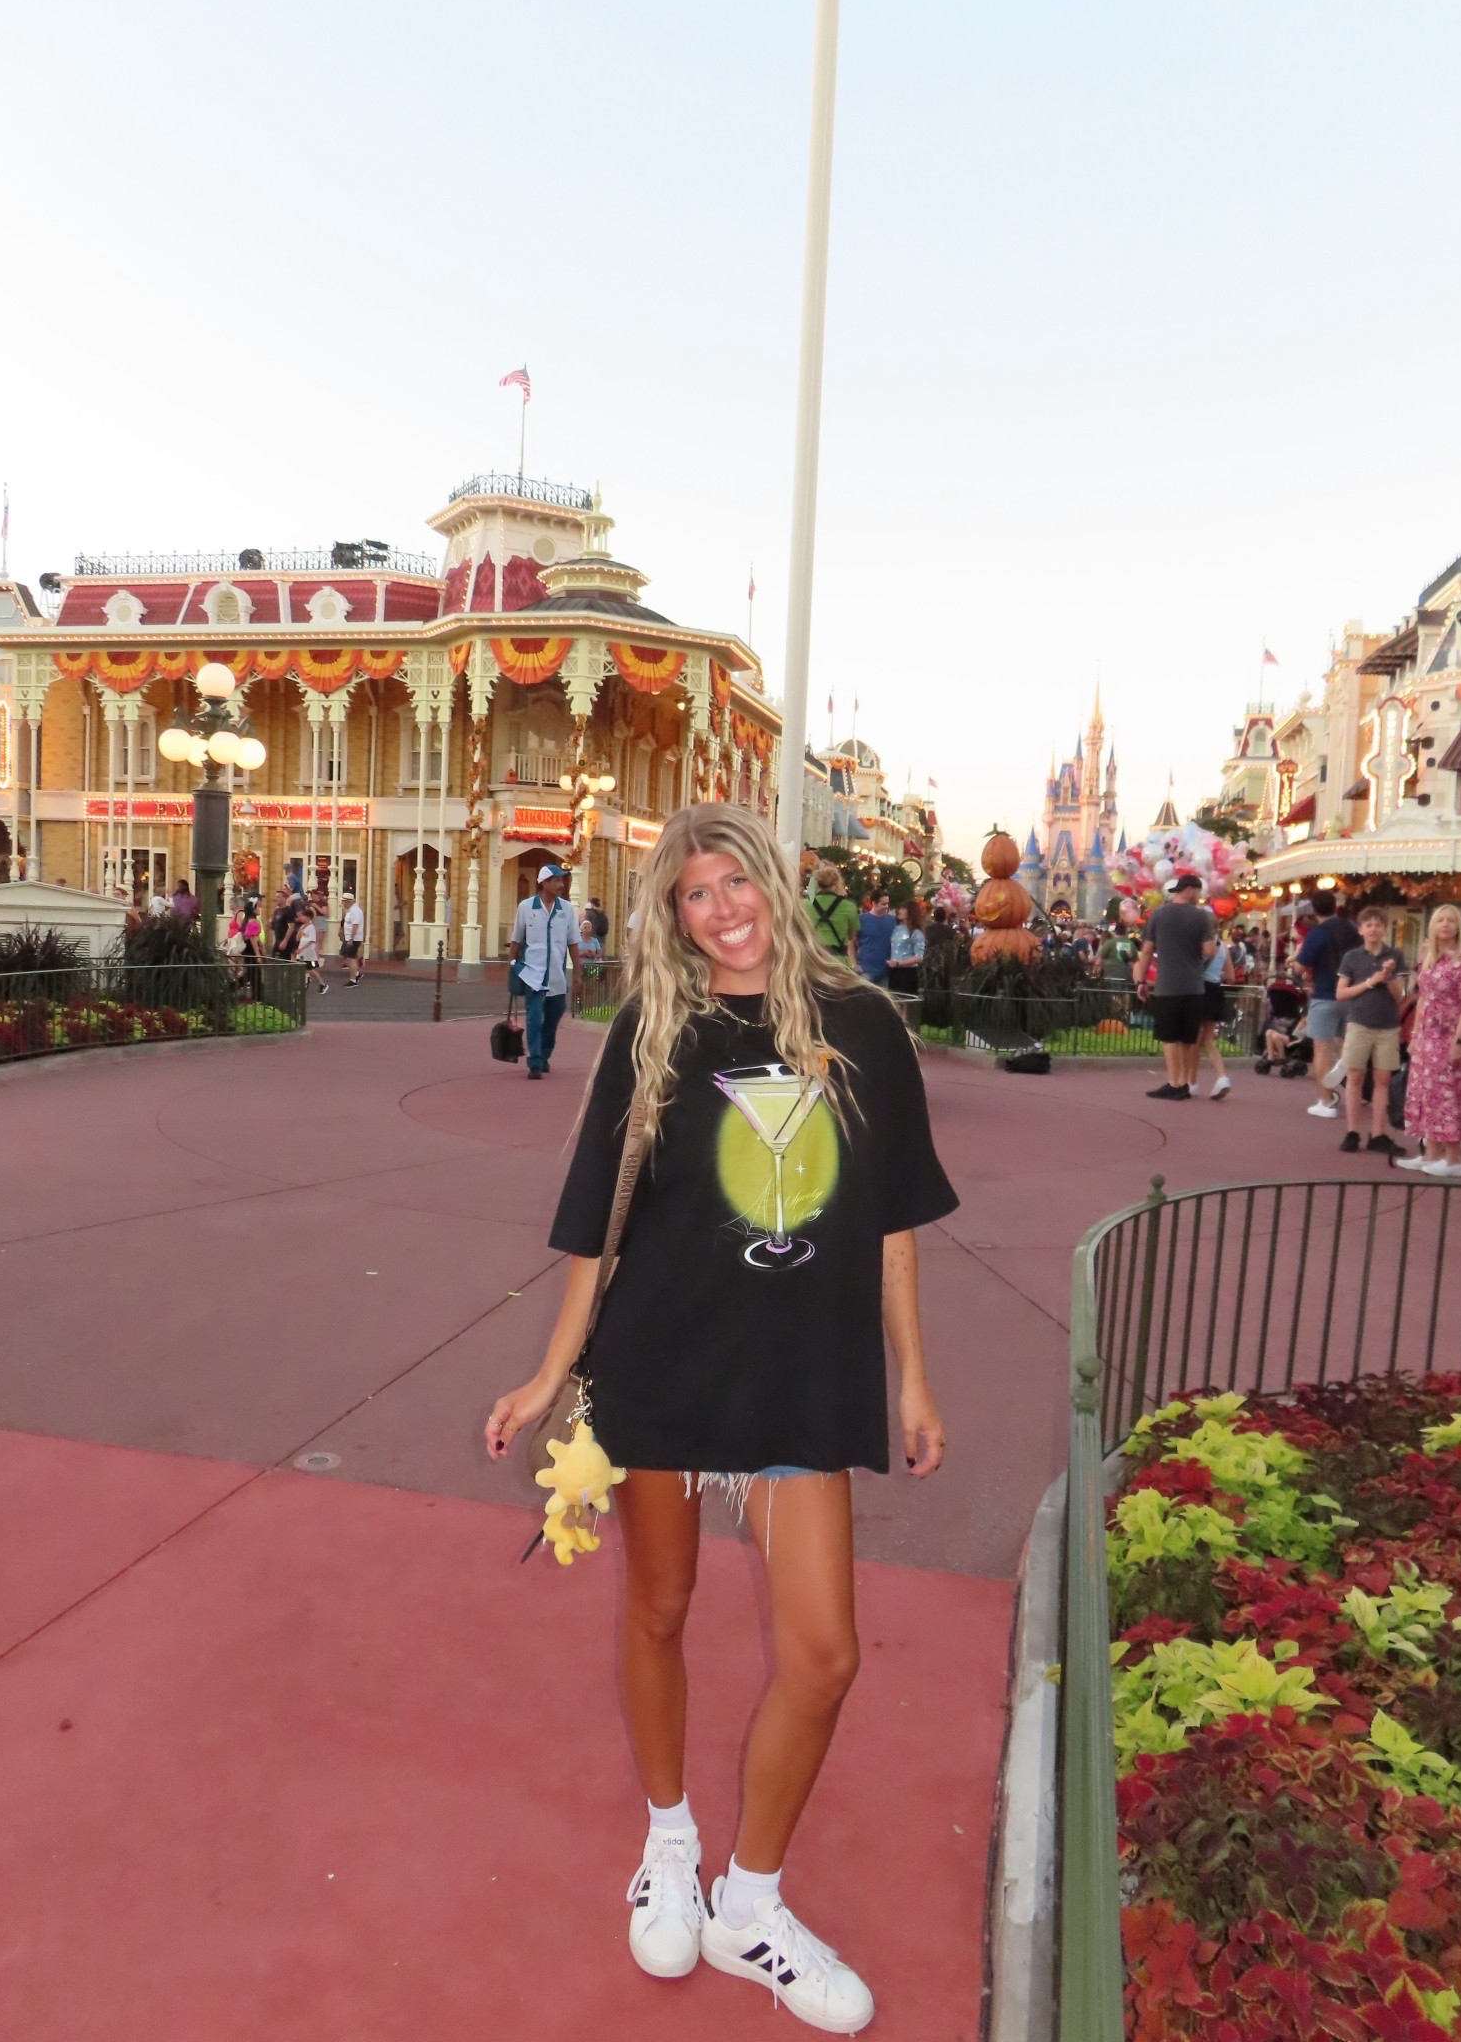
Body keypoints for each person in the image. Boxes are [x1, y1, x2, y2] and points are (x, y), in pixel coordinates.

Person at [484, 804, 956, 2032]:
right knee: (659, 1604)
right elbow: (601, 1215)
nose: (722, 908)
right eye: (694, 893)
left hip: (806, 1369)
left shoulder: (864, 1024)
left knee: (824, 1653)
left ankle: (750, 1903)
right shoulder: (657, 1026)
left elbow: (895, 1224)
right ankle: (669, 1839)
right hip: (665, 1361)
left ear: (772, 881)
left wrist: (912, 1375)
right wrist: (548, 1375)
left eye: (734, 878)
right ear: (673, 914)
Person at [1397, 905, 1461, 1177]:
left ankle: (1454, 1158)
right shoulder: (1430, 960)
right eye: (1441, 920)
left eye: (1451, 921)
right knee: (1426, 1094)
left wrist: (1460, 1041)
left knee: (1447, 1095)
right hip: (1428, 1035)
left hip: (1450, 1034)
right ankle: (1430, 1153)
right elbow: (1423, 997)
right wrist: (1415, 1034)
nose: (1446, 925)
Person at [1134, 874, 1217, 1100]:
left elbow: (1147, 950)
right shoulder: (1203, 918)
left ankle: (1175, 1082)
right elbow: (1210, 951)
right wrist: (1193, 950)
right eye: (1198, 892)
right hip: (1194, 986)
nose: (1199, 897)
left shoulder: (1158, 915)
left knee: (1170, 1037)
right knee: (1188, 1038)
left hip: (1168, 985)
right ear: (1191, 890)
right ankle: (1186, 1083)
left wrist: (1141, 981)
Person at [1334, 908, 1406, 1158]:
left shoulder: (1395, 956)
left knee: (1383, 1079)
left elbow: (1400, 996)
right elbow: (1341, 993)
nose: (1374, 929)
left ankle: (1378, 1133)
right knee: (1355, 1076)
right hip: (1359, 1023)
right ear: (1361, 929)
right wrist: (1370, 982)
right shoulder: (1352, 958)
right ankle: (1352, 1131)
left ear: (1385, 928)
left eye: (1378, 924)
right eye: (1369, 925)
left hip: (1387, 1025)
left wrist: (1388, 978)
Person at [507, 865, 582, 1080]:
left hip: (557, 976)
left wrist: (577, 974)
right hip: (532, 974)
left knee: (554, 1017)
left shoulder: (566, 909)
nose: (562, 885)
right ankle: (536, 1062)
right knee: (534, 1017)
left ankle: (545, 1054)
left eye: (562, 880)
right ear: (544, 882)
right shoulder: (526, 907)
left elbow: (573, 944)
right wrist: (512, 965)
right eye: (557, 880)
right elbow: (516, 939)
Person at [1294, 892, 1360, 1121]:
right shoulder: (1352, 929)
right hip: (1353, 994)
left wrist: (1295, 963)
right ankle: (1354, 1095)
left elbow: (1300, 968)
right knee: (1346, 1045)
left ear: (1313, 910)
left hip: (1325, 995)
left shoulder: (1317, 934)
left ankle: (1326, 1101)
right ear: (1335, 906)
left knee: (1321, 1049)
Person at [1191, 931, 1232, 1100]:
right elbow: (1231, 977)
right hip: (1216, 991)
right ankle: (1222, 1077)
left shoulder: (1200, 945)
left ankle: (1191, 1082)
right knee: (1207, 1039)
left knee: (1193, 1038)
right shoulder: (1224, 948)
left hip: (1199, 990)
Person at [805, 862, 858, 967]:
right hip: (838, 962)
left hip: (812, 961)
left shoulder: (804, 904)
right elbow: (852, 936)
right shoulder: (849, 906)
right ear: (837, 883)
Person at [887, 900, 926, 998]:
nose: (900, 911)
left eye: (903, 909)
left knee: (906, 1003)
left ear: (910, 912)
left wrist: (899, 963)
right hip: (894, 972)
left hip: (907, 973)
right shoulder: (896, 929)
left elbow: (919, 957)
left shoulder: (916, 933)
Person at [856, 890, 894, 986]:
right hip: (865, 970)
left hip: (885, 971)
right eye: (883, 904)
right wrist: (854, 963)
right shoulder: (861, 920)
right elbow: (852, 942)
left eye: (887, 903)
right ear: (874, 903)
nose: (886, 906)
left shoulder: (892, 920)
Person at [294, 906, 328, 995]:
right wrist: (299, 931)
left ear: (308, 917)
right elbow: (297, 938)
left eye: (303, 916)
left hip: (308, 953)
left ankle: (322, 984)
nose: (301, 918)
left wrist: (301, 949)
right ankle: (306, 983)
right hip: (302, 954)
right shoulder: (303, 926)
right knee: (304, 969)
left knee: (310, 968)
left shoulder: (311, 927)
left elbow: (312, 940)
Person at [339, 891, 365, 986]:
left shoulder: (355, 911)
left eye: (344, 901)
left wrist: (351, 939)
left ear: (348, 901)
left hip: (354, 939)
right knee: (348, 958)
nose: (343, 903)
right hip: (350, 938)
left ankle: (353, 980)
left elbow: (355, 926)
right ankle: (357, 974)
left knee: (351, 958)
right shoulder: (351, 910)